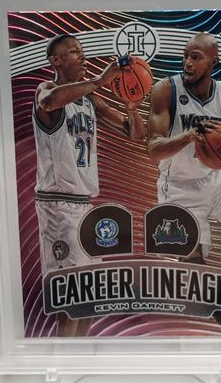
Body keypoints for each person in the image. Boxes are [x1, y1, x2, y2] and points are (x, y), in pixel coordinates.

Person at [33, 34, 145, 337]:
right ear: (56, 61)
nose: (82, 56)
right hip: (58, 203)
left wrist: (132, 107)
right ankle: (62, 358)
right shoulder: (46, 90)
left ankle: (77, 356)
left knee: (89, 295)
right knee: (72, 295)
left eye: (82, 51)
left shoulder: (89, 99)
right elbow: (50, 102)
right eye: (73, 52)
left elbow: (134, 134)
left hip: (84, 204)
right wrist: (99, 80)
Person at [146, 32, 221, 335]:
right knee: (193, 263)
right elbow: (153, 150)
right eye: (185, 56)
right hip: (179, 185)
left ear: (213, 62)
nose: (188, 63)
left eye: (196, 57)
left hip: (217, 180)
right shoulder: (165, 91)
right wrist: (188, 136)